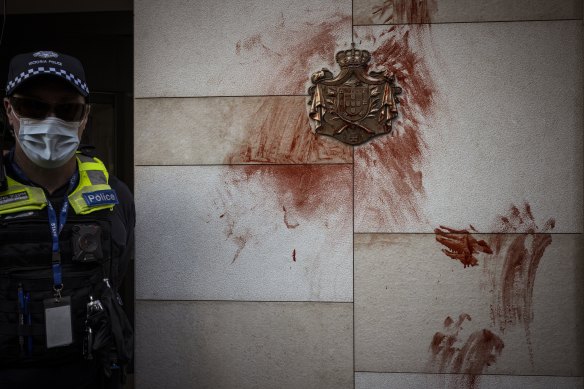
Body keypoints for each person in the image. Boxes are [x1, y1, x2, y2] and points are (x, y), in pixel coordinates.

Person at [0, 51, 134, 389]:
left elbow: (115, 276)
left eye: (67, 109)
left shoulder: (115, 196)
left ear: (85, 116)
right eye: (33, 106)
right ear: (9, 111)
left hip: (91, 374)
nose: (50, 120)